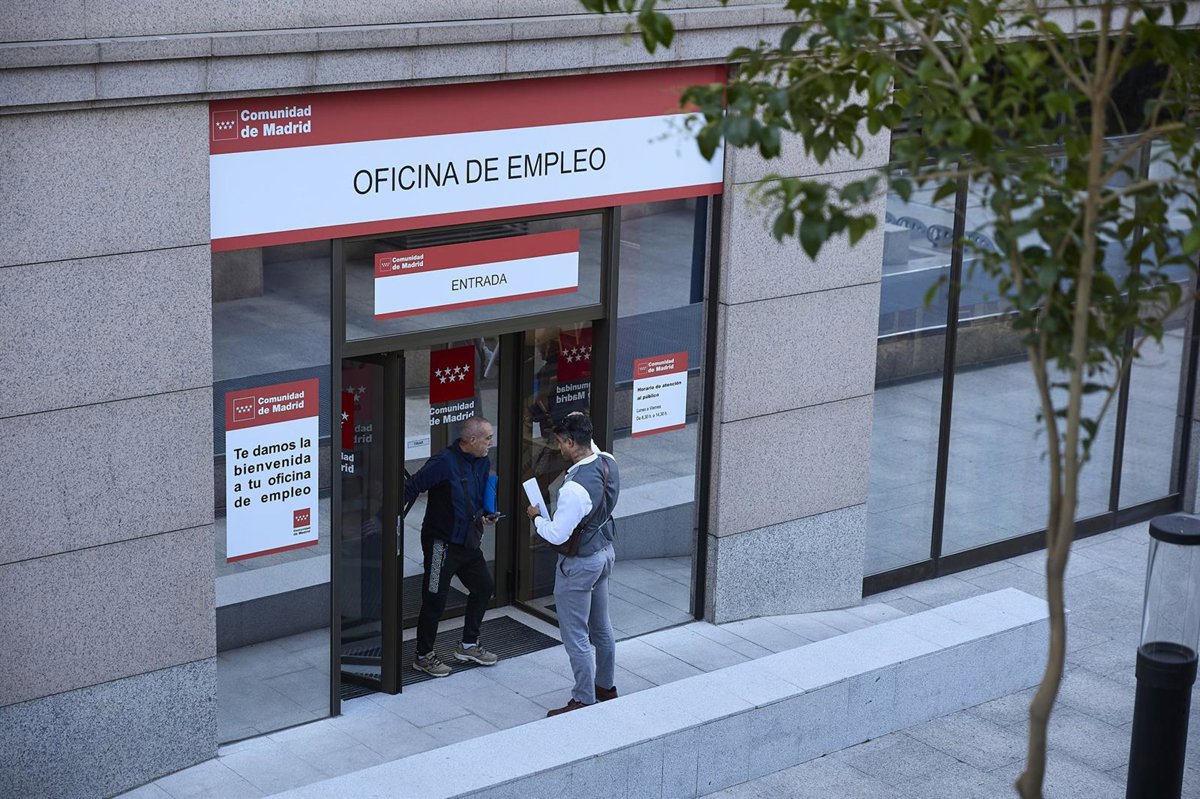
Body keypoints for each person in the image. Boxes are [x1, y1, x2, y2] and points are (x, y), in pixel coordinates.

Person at [525, 413, 620, 716]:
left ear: (569, 442)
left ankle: (583, 698)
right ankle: (605, 686)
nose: (557, 448)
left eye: (559, 442)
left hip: (580, 564)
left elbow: (557, 534)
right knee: (602, 627)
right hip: (604, 552)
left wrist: (536, 517)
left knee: (576, 634)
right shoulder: (607, 461)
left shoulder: (574, 490)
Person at [405, 415, 501, 677]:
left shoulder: (483, 461)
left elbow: (476, 496)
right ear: (471, 439)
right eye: (487, 438)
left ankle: (468, 645)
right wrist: (386, 520)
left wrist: (486, 514)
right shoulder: (444, 462)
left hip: (468, 542)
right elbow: (412, 486)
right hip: (440, 545)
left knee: (484, 587)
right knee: (434, 598)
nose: (490, 443)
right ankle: (423, 656)